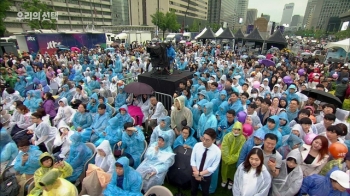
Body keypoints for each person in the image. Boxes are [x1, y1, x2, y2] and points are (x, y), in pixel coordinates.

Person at [191, 128, 221, 196]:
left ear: (213, 140)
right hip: (194, 172)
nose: (204, 141)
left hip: (206, 176)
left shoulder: (217, 151)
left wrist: (200, 174)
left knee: (205, 191)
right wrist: (196, 173)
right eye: (203, 138)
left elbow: (213, 167)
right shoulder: (197, 145)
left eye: (207, 140)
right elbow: (192, 160)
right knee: (193, 189)